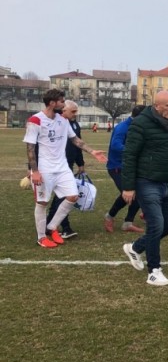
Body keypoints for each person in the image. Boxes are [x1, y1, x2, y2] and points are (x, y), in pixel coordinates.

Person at [121, 91, 168, 286]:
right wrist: (128, 187)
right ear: (157, 106)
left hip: (167, 183)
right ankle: (154, 271)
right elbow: (129, 156)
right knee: (156, 224)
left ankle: (135, 247)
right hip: (146, 181)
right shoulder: (140, 124)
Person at [23, 90, 107, 248]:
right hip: (45, 169)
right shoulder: (35, 120)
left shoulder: (63, 120)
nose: (63, 104)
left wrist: (92, 151)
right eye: (61, 101)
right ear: (53, 103)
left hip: (62, 168)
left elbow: (75, 139)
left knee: (73, 196)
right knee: (42, 202)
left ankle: (51, 227)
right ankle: (41, 237)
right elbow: (30, 148)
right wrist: (34, 171)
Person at [103, 105, 146, 234]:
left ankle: (128, 223)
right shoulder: (122, 127)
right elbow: (116, 145)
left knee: (137, 194)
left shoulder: (139, 127)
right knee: (130, 193)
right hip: (117, 166)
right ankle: (110, 216)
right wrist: (133, 152)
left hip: (131, 166)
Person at [45, 100, 83, 239]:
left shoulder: (74, 124)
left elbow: (78, 143)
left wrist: (80, 162)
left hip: (68, 165)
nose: (75, 114)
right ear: (64, 110)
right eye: (73, 111)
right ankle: (58, 227)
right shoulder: (53, 123)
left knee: (64, 197)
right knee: (60, 198)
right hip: (54, 166)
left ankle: (53, 225)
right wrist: (32, 168)